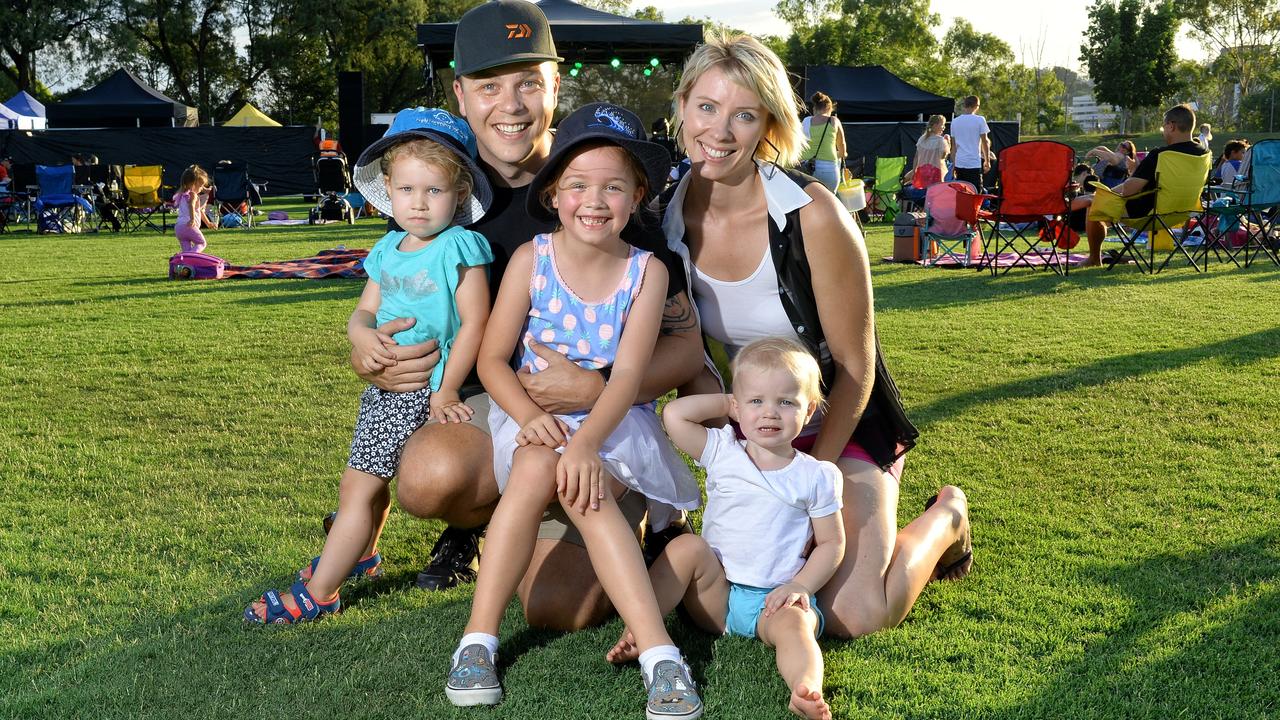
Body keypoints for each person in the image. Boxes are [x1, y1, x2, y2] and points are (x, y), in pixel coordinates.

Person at [350, 0, 704, 630]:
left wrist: (599, 388)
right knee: (427, 478)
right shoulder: (441, 191)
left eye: (528, 84)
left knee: (557, 610)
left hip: (601, 418)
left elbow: (685, 349)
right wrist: (365, 346)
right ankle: (476, 522)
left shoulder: (599, 184)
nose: (510, 105)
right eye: (490, 86)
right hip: (499, 411)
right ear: (461, 94)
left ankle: (645, 520)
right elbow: (389, 303)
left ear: (555, 83)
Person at [661, 33, 973, 641]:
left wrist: (801, 480)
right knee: (717, 604)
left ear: (770, 125)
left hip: (840, 423)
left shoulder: (812, 212)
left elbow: (856, 367)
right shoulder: (665, 215)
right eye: (706, 107)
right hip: (759, 429)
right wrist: (744, 459)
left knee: (856, 614)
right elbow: (695, 358)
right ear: (681, 106)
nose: (719, 131)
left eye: (743, 115)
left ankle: (947, 517)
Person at [445, 102, 703, 719]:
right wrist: (530, 418)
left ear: (638, 195)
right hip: (534, 415)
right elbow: (492, 363)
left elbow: (629, 379)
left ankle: (660, 656)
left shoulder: (648, 273)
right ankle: (476, 642)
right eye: (579, 185)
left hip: (611, 422)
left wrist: (586, 445)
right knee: (534, 470)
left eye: (614, 186)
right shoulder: (533, 261)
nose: (595, 200)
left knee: (583, 489)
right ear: (555, 193)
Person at [244, 108, 495, 624]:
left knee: (358, 486)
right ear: (387, 188)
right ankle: (363, 553)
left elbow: (475, 324)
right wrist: (359, 333)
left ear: (460, 192)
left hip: (425, 391)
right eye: (406, 190)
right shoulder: (386, 249)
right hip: (385, 389)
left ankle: (321, 591)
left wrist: (445, 392)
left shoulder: (460, 247)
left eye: (434, 191)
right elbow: (365, 308)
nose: (419, 204)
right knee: (365, 486)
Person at [607, 337, 845, 720]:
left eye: (786, 402)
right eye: (756, 401)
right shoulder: (722, 449)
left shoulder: (816, 475)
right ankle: (641, 629)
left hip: (776, 600)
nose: (769, 413)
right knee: (686, 549)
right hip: (715, 594)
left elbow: (831, 543)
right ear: (737, 405)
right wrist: (727, 404)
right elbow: (674, 416)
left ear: (809, 409)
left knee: (796, 630)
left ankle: (805, 688)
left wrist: (800, 587)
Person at [1080, 104, 1210, 267]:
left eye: (1164, 127)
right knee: (1096, 199)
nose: (1163, 131)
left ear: (1171, 126)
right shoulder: (1205, 154)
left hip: (1148, 214)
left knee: (1095, 204)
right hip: (1184, 212)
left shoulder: (1161, 155)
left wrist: (1104, 193)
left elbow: (1128, 189)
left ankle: (1094, 259)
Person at [797, 92, 846, 192]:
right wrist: (840, 154)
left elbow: (798, 145)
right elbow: (842, 150)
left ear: (814, 109)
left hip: (808, 170)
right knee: (830, 202)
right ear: (829, 108)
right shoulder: (834, 121)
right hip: (830, 170)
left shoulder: (806, 121)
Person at [950, 95, 990, 193]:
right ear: (976, 106)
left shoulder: (955, 122)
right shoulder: (980, 120)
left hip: (960, 162)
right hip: (973, 163)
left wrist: (954, 165)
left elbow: (953, 147)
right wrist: (987, 160)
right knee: (975, 191)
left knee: (961, 192)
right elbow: (985, 141)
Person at [173, 165, 211, 253]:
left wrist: (208, 223)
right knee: (201, 243)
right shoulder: (193, 195)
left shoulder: (182, 194)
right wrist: (192, 219)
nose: (201, 189)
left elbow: (200, 211)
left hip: (179, 228)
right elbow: (191, 205)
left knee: (187, 251)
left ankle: (186, 263)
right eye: (201, 186)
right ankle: (182, 256)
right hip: (189, 226)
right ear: (192, 184)